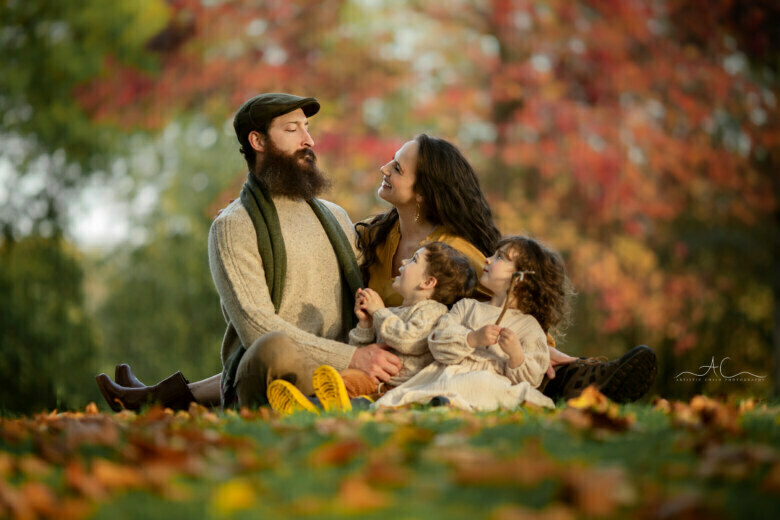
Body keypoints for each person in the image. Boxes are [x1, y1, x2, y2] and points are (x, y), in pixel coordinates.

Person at [95, 94, 656, 411]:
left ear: (425, 190)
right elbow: (263, 327)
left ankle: (587, 377)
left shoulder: (435, 250)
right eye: (293, 129)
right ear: (257, 143)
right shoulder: (359, 233)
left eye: (308, 128)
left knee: (528, 363)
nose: (310, 140)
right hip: (346, 357)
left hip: (411, 363)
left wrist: (552, 353)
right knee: (274, 349)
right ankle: (159, 398)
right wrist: (354, 356)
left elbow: (500, 312)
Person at [265, 241, 478, 414]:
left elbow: (408, 340)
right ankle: (313, 404)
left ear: (428, 283)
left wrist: (378, 312)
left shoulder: (433, 311)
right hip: (373, 379)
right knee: (344, 379)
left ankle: (309, 405)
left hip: (396, 386)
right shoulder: (393, 312)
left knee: (344, 382)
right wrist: (365, 324)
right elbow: (360, 349)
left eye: (414, 260)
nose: (404, 261)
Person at [372, 235, 571, 411]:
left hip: (489, 383)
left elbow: (533, 378)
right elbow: (437, 341)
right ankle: (440, 402)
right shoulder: (467, 307)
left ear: (520, 279)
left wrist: (516, 355)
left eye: (499, 257)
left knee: (485, 382)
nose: (488, 259)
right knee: (441, 385)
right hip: (449, 376)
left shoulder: (529, 326)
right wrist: (472, 338)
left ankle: (446, 403)